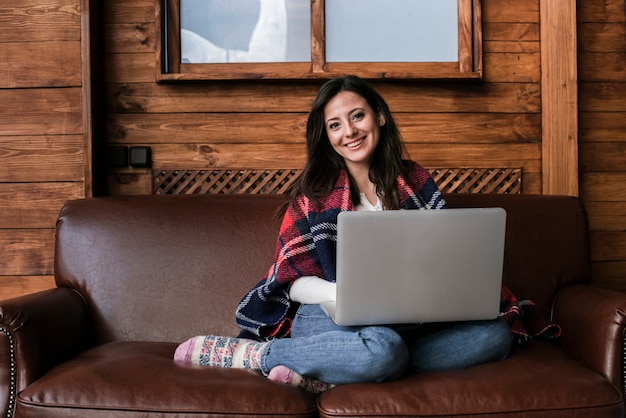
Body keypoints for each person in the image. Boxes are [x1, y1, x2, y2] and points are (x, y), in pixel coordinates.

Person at [173, 75, 558, 394]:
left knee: (494, 335)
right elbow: (290, 283)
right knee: (383, 349)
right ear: (326, 136)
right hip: (329, 315)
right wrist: (339, 293)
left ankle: (334, 368)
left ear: (380, 117)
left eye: (357, 116)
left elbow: (445, 254)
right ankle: (258, 356)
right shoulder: (315, 194)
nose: (350, 131)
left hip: (411, 317)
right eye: (335, 124)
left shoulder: (415, 179)